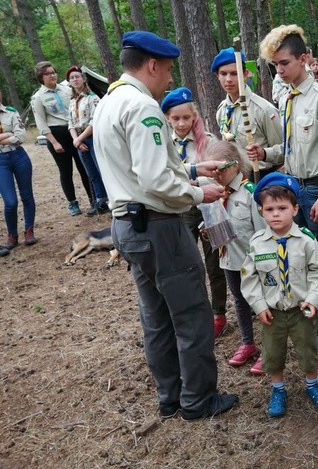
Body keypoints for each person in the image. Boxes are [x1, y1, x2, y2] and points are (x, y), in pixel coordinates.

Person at [92, 30, 239, 420]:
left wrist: (191, 167)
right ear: (152, 65)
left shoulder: (108, 102)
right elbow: (156, 181)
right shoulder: (142, 107)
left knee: (155, 317)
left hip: (128, 225)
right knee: (191, 315)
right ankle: (199, 399)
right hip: (160, 228)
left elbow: (135, 166)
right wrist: (198, 193)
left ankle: (170, 396)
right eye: (169, 70)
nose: (171, 79)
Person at [248, 24, 318, 351]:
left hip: (317, 190)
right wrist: (266, 154)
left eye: (285, 63)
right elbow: (290, 148)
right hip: (295, 189)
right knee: (304, 258)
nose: (279, 69)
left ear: (304, 59)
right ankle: (317, 316)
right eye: (275, 64)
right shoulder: (288, 99)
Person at [240, 172, 318, 417]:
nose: (276, 214)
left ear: (294, 209)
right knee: (272, 353)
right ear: (262, 212)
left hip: (301, 310)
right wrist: (259, 306)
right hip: (273, 313)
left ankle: (312, 384)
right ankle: (278, 389)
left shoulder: (306, 241)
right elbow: (249, 278)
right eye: (269, 209)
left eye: (282, 207)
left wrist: (313, 300)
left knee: (308, 350)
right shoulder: (257, 243)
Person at [161, 87, 230, 337]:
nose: (181, 123)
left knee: (216, 264)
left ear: (194, 117)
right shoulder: (163, 144)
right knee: (187, 265)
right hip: (180, 210)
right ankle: (194, 312)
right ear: (167, 118)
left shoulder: (207, 141)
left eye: (186, 118)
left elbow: (217, 176)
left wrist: (198, 182)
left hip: (209, 209)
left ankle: (218, 313)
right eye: (175, 118)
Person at [205, 141, 266, 375]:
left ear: (237, 164)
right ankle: (248, 343)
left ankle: (270, 351)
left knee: (263, 304)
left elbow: (261, 233)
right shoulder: (215, 195)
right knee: (240, 302)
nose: (216, 175)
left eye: (220, 169)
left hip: (253, 263)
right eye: (212, 171)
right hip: (229, 260)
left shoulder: (251, 193)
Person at [31, 61, 92, 216]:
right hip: (57, 134)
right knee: (66, 171)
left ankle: (94, 198)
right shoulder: (38, 97)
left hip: (75, 132)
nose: (52, 75)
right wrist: (54, 142)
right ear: (41, 77)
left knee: (84, 167)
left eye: (53, 72)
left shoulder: (67, 89)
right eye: (47, 73)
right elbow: (41, 123)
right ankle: (73, 203)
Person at [212, 47, 283, 178]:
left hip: (261, 177)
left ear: (245, 74)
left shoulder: (263, 109)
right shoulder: (222, 110)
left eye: (234, 73)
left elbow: (282, 152)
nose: (228, 79)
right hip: (234, 179)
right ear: (217, 75)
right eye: (223, 73)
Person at [66, 65, 109, 217]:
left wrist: (79, 139)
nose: (75, 79)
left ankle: (112, 201)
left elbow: (94, 122)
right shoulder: (72, 101)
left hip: (92, 138)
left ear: (84, 79)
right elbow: (70, 123)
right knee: (91, 174)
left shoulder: (93, 98)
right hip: (79, 141)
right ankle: (100, 201)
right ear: (69, 82)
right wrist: (75, 141)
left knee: (102, 170)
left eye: (77, 76)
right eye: (72, 78)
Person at [0, 90, 36, 251]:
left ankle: (29, 231)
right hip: (1, 161)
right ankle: (12, 235)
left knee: (27, 196)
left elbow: (21, 137)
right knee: (10, 201)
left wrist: (7, 136)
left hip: (19, 157)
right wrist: (9, 134)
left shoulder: (11, 112)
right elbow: (15, 135)